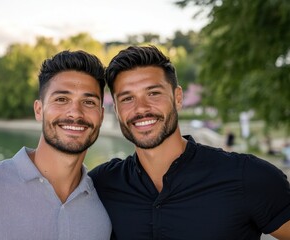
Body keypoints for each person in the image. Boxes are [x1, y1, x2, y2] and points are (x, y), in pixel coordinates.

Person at [89, 46, 290, 240]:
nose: (141, 108)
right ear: (115, 108)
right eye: (127, 98)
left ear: (177, 98)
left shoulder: (247, 176)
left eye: (153, 93)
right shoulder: (101, 184)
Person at [0, 50, 111, 240]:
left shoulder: (104, 207)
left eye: (88, 102)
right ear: (39, 110)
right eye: (61, 99)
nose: (75, 113)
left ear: (101, 115)